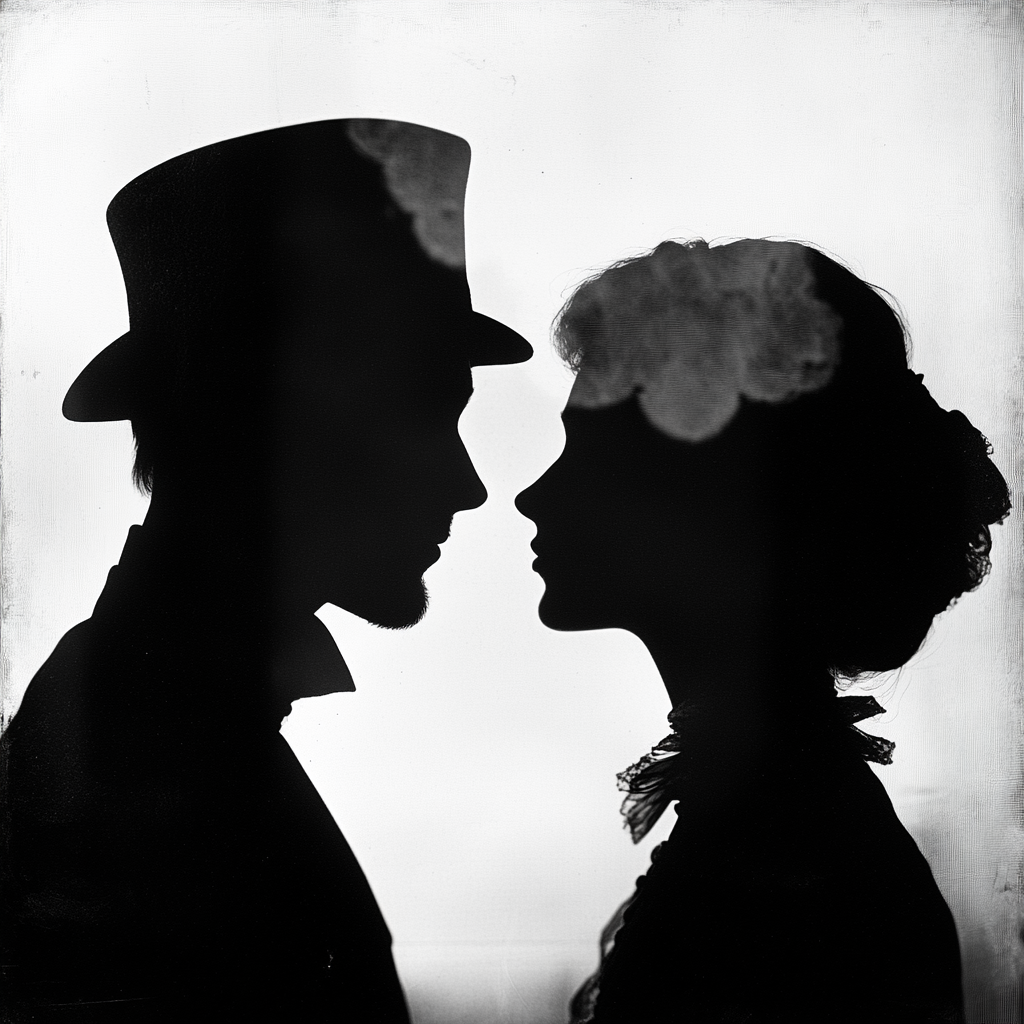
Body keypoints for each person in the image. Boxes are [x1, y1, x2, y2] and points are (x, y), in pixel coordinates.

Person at [0, 119, 531, 1022]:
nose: (469, 485)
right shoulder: (145, 773)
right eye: (426, 416)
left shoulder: (135, 726)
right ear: (278, 428)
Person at [515, 239, 1009, 1024]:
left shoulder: (784, 856)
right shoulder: (786, 812)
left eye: (593, 452)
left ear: (706, 499)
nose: (531, 497)